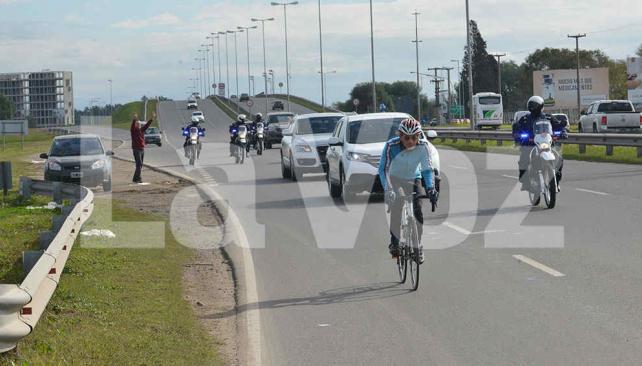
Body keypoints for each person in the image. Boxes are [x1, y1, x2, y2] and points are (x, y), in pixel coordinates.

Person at [379, 118, 438, 263]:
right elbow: (383, 169)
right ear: (400, 136)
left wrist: (430, 189)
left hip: (413, 178)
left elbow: (427, 170)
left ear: (419, 136)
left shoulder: (423, 147)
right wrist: (388, 189)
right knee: (397, 207)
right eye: (406, 138)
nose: (410, 141)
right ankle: (395, 243)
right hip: (395, 178)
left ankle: (417, 245)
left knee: (418, 210)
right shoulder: (391, 146)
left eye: (414, 137)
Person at [512, 96, 568, 191]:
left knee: (559, 159)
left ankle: (556, 182)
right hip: (530, 145)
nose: (533, 107)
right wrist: (517, 135)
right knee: (524, 159)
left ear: (541, 106)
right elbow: (517, 128)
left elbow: (558, 125)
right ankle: (525, 182)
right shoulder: (525, 119)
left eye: (535, 105)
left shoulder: (548, 117)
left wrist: (562, 131)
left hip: (546, 143)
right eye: (532, 105)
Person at [130, 112, 156, 183]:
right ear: (135, 125)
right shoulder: (133, 131)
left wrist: (152, 118)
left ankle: (136, 179)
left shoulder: (141, 130)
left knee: (140, 165)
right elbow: (132, 125)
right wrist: (134, 119)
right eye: (137, 124)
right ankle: (137, 178)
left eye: (139, 124)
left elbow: (147, 125)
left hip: (142, 149)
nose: (138, 125)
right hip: (136, 149)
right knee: (139, 164)